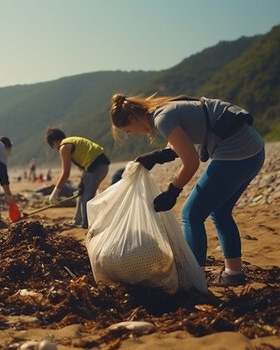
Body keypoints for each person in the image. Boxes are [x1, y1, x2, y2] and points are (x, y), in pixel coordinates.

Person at [110, 93, 264, 287]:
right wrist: (158, 156)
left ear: (132, 119)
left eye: (129, 131)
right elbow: (180, 142)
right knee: (221, 212)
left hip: (235, 154)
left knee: (191, 214)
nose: (132, 134)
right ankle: (233, 274)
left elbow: (191, 162)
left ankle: (193, 279)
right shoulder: (165, 109)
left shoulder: (161, 118)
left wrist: (173, 191)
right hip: (254, 152)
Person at [45, 128, 110, 229]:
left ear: (54, 142)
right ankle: (78, 220)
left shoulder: (64, 147)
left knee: (86, 196)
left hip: (97, 166)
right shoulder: (71, 141)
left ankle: (85, 223)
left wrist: (55, 192)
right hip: (95, 166)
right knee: (80, 193)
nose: (55, 149)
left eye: (53, 146)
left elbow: (65, 173)